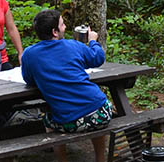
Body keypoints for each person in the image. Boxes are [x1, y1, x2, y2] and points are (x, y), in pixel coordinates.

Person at [21, 9, 110, 162]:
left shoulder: (29, 54)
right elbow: (98, 58)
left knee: (48, 118)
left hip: (69, 120)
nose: (65, 27)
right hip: (101, 112)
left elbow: (28, 80)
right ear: (55, 32)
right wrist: (93, 40)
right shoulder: (74, 46)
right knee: (94, 108)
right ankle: (100, 159)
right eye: (62, 25)